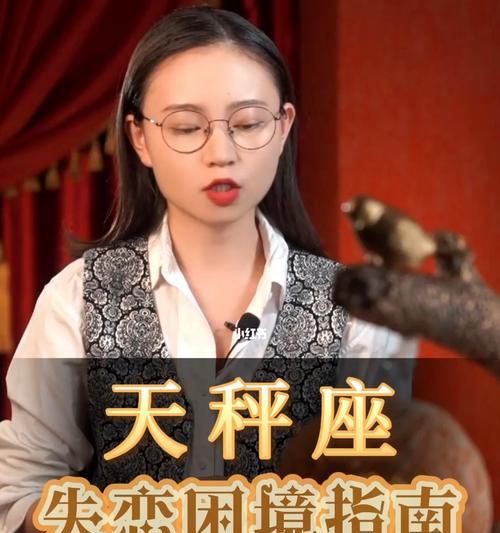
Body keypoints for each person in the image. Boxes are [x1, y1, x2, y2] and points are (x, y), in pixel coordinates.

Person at [0, 6, 416, 532]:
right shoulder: (77, 299)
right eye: (186, 127)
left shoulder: (356, 315)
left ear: (283, 127)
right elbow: (20, 491)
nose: (221, 153)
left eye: (248, 124)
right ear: (140, 138)